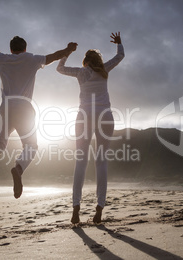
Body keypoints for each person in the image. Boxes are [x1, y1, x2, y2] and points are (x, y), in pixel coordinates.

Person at [0, 27, 77, 199]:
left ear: (11, 49)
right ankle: (18, 169)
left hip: (6, 107)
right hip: (24, 108)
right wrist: (68, 50)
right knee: (31, 146)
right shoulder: (31, 59)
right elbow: (54, 56)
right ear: (25, 48)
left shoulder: (3, 59)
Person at [56, 32, 124, 224]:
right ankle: (99, 208)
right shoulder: (104, 70)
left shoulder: (80, 72)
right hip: (105, 117)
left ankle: (76, 208)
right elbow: (120, 56)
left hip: (84, 116)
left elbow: (59, 69)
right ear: (99, 60)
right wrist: (119, 43)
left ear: (85, 61)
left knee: (81, 162)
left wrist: (67, 52)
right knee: (101, 162)